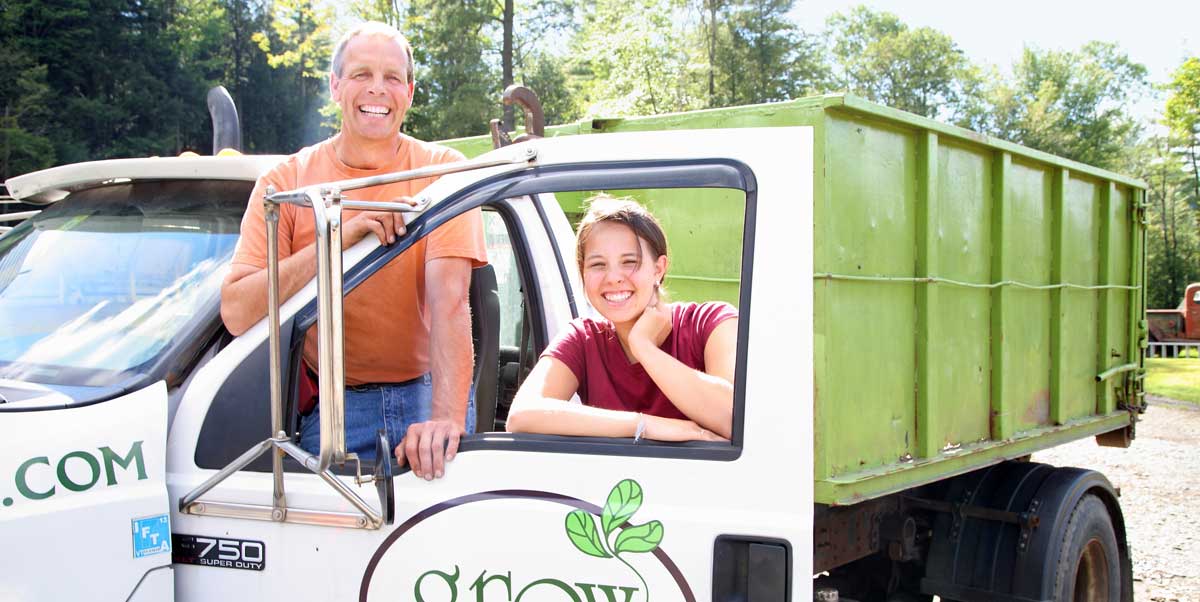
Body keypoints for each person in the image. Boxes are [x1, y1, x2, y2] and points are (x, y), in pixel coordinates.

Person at [219, 22, 487, 480]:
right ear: (336, 86)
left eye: (392, 77)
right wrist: (335, 237)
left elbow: (451, 301)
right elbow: (238, 311)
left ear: (410, 91)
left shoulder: (444, 173)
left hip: (429, 399)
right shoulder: (286, 184)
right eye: (362, 74)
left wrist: (445, 419)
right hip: (332, 412)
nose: (378, 90)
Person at [506, 195, 736, 442]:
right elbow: (521, 416)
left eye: (629, 262)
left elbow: (734, 419)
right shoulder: (584, 338)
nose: (613, 278)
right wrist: (644, 425)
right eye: (598, 265)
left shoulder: (712, 322)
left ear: (658, 269)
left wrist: (644, 347)